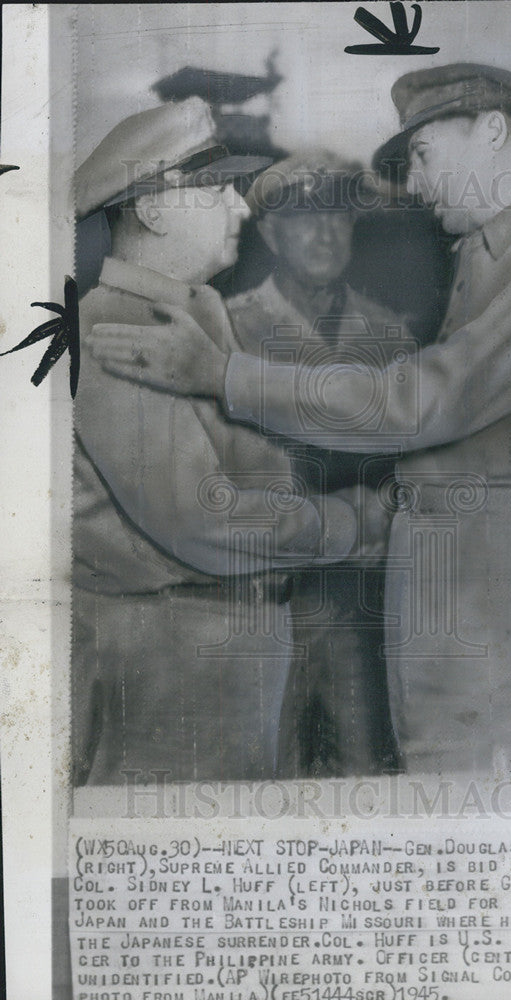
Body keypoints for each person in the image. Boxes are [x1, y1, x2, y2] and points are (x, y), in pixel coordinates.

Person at [90, 64, 511, 773]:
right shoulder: (494, 254)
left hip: (509, 589)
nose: (413, 185)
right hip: (451, 580)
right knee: (443, 786)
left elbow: (422, 402)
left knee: (500, 804)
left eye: (422, 155)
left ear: (494, 132)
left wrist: (223, 375)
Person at [73, 98, 357, 785]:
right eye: (217, 189)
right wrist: (352, 523)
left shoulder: (192, 317)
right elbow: (200, 519)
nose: (239, 208)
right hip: (169, 659)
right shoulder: (117, 327)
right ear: (154, 209)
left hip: (228, 645)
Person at [227, 151, 407, 777]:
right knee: (259, 773)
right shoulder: (225, 329)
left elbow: (406, 468)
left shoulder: (389, 335)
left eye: (341, 218)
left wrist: (384, 511)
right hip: (252, 592)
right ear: (271, 233)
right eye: (305, 219)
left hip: (356, 596)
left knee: (364, 767)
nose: (327, 233)